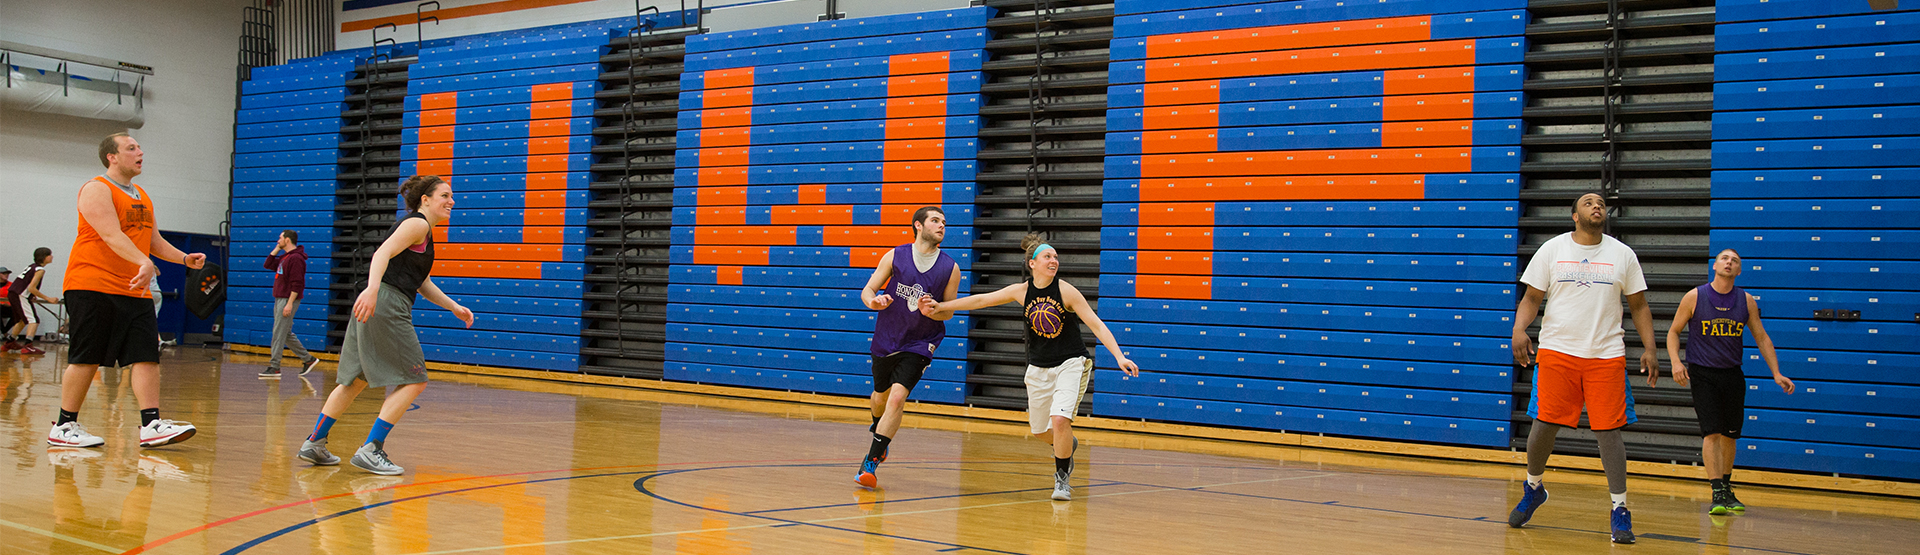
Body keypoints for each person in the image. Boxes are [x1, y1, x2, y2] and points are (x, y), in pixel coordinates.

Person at [920, 233, 1140, 501]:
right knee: (1039, 431)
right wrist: (941, 305)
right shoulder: (1021, 292)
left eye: (1056, 257)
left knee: (1059, 419)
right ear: (1032, 263)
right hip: (1038, 368)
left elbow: (1096, 324)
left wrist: (1119, 356)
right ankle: (1067, 445)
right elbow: (980, 300)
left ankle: (1061, 480)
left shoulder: (1066, 291)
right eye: (1048, 256)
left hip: (1071, 363)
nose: (1054, 260)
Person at [1507, 192, 1658, 544]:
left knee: (1609, 432)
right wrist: (1518, 329)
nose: (1597, 206)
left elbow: (1639, 305)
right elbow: (1531, 298)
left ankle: (1620, 509)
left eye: (1601, 203)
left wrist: (1650, 348)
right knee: (1543, 426)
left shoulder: (1622, 254)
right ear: (1574, 215)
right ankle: (1533, 488)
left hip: (1606, 354)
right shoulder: (1552, 249)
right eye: (1588, 202)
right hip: (1559, 350)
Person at [297, 175, 472, 476]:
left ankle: (315, 442)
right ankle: (371, 448)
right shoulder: (417, 224)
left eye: (451, 196)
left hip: (378, 301)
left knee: (355, 380)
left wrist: (453, 307)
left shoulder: (421, 230)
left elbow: (421, 282)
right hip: (385, 304)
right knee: (415, 379)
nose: (451, 201)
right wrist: (374, 290)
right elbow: (381, 254)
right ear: (425, 200)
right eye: (444, 195)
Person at [47, 133, 205, 449]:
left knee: (146, 356)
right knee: (86, 358)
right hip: (92, 285)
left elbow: (153, 240)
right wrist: (142, 260)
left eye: (140, 147)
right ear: (112, 157)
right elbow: (110, 234)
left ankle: (151, 424)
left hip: (133, 289)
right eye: (131, 148)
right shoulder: (96, 189)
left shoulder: (142, 195)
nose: (140, 152)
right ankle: (64, 426)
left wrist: (183, 257)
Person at [1667, 248, 1793, 515]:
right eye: (1725, 258)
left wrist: (1776, 372)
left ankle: (1726, 486)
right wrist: (1676, 362)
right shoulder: (1695, 296)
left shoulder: (1745, 300)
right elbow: (1673, 331)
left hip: (1733, 374)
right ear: (1715, 265)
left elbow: (1762, 337)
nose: (1729, 262)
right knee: (1711, 432)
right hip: (1703, 373)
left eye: (1735, 261)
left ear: (1739, 271)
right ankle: (1716, 491)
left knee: (1730, 435)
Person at [853, 206, 961, 488]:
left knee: (898, 398)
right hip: (888, 336)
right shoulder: (895, 255)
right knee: (880, 396)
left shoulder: (950, 268)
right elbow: (868, 290)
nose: (941, 226)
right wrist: (873, 302)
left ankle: (871, 461)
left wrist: (934, 311)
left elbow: (948, 311)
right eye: (935, 221)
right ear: (918, 225)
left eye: (944, 222)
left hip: (921, 341)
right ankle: (880, 432)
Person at [262, 229, 320, 378]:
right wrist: (277, 249)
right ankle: (308, 359)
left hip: (287, 299)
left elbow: (298, 283)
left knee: (278, 332)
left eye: (280, 238)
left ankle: (274, 367)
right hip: (280, 298)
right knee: (285, 333)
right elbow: (268, 264)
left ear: (287, 240)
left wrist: (289, 303)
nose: (277, 240)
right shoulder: (285, 257)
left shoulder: (296, 259)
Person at [7, 248, 62, 355]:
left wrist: (31, 295)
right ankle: (28, 345)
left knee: (22, 320)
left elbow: (25, 283)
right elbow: (31, 288)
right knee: (34, 320)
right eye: (50, 254)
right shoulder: (40, 270)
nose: (52, 256)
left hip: (13, 293)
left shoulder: (31, 266)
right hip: (20, 295)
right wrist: (48, 299)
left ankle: (10, 342)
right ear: (44, 257)